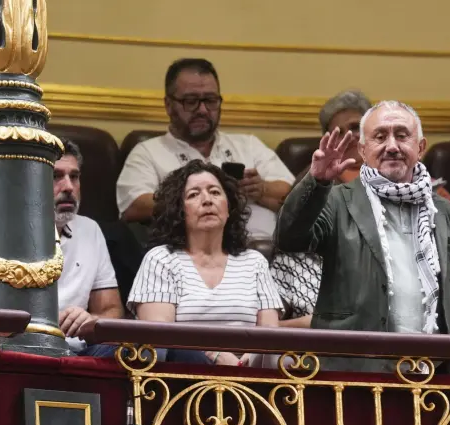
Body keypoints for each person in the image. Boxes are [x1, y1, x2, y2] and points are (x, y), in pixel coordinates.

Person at [276, 100, 450, 373]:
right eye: (380, 137)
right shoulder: (337, 200)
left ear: (421, 147)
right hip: (353, 369)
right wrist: (317, 181)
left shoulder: (449, 215)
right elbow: (290, 238)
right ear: (362, 150)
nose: (392, 145)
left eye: (402, 136)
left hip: (431, 372)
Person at [0, 140, 126, 355]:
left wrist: (90, 320)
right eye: (56, 176)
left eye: (74, 177)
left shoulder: (90, 229)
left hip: (75, 348)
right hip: (8, 347)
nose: (68, 187)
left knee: (125, 351)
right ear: (30, 181)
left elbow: (112, 310)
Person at [116, 58, 294, 241]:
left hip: (266, 253)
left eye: (210, 100)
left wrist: (261, 189)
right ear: (168, 105)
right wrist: (195, 196)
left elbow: (295, 194)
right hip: (190, 259)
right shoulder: (148, 152)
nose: (202, 110)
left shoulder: (248, 145)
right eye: (191, 101)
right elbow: (134, 206)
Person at [127, 160, 284, 366]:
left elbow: (270, 335)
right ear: (179, 211)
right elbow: (159, 336)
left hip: (248, 375)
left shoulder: (254, 262)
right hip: (181, 375)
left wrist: (249, 359)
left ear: (229, 208)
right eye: (193, 195)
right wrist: (214, 355)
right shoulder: (161, 259)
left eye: (215, 192)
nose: (207, 200)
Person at [270, 90, 373, 327]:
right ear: (328, 140)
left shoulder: (393, 174)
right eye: (341, 133)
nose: (352, 137)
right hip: (320, 266)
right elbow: (292, 232)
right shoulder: (316, 179)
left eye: (357, 127)